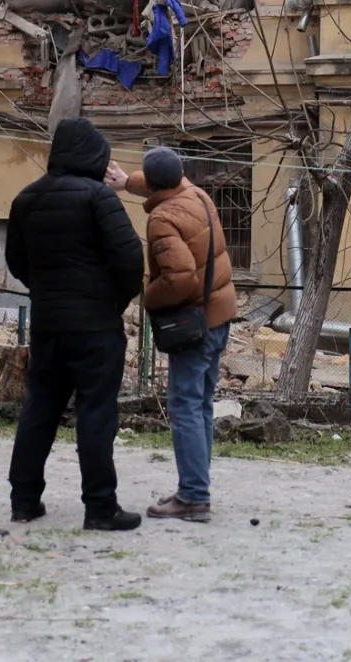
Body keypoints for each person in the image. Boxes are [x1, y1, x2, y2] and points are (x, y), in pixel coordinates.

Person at [5, 118, 147, 532]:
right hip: (96, 328)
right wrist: (113, 301)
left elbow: (17, 262)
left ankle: (24, 501)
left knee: (39, 409)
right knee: (96, 413)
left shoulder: (25, 199)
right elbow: (130, 261)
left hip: (47, 324)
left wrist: (47, 292)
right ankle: (100, 507)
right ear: (94, 157)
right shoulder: (99, 199)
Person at [119, 146, 236, 523]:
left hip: (193, 325)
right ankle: (196, 488)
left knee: (185, 408)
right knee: (200, 405)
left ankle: (193, 497)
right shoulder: (197, 195)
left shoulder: (162, 219)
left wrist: (147, 298)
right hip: (219, 316)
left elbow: (179, 277)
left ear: (153, 184)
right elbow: (160, 183)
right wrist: (125, 183)